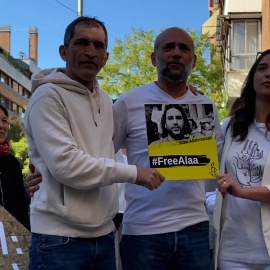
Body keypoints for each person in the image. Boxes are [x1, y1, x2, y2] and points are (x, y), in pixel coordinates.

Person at [22, 16, 164, 270]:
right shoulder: (47, 96)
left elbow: (110, 153)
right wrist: (135, 173)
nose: (91, 52)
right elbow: (66, 165)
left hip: (103, 236)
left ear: (106, 57)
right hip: (59, 241)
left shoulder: (106, 99)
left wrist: (186, 94)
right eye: (82, 43)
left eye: (98, 45)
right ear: (64, 51)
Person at [113, 27, 223, 270]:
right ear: (154, 58)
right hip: (142, 233)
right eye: (168, 47)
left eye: (184, 48)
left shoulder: (206, 106)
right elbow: (101, 153)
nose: (176, 53)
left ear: (193, 60)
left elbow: (216, 164)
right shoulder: (127, 102)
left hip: (194, 230)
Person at [214, 49, 270, 270]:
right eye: (262, 68)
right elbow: (202, 157)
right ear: (253, 76)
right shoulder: (230, 125)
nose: (268, 74)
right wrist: (189, 99)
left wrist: (243, 192)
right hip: (231, 251)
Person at [0, 105, 30, 230]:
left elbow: (21, 207)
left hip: (9, 241)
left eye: (4, 120)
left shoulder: (12, 163)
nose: (1, 126)